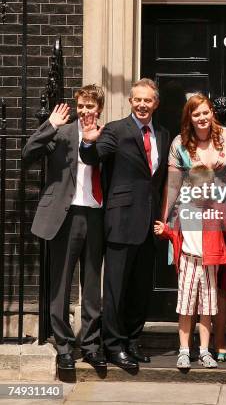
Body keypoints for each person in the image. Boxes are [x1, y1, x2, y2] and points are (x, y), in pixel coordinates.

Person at [79, 78, 170, 371]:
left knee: (140, 287)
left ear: (156, 103)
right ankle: (113, 345)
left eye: (148, 100)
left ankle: (131, 341)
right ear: (130, 101)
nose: (142, 105)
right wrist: (88, 140)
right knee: (116, 287)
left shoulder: (164, 134)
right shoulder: (116, 130)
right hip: (121, 220)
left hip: (150, 222)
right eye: (137, 100)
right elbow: (92, 156)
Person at [22, 85, 106, 371]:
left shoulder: (106, 135)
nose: (84, 111)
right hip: (64, 216)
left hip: (95, 215)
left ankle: (92, 345)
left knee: (92, 285)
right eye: (81, 105)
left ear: (99, 109)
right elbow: (27, 153)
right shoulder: (61, 132)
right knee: (61, 282)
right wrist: (50, 125)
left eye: (90, 106)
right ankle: (64, 346)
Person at [161, 93, 226, 366]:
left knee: (219, 285)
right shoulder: (179, 143)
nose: (202, 118)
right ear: (189, 117)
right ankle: (188, 347)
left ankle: (216, 341)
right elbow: (173, 185)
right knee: (189, 291)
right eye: (196, 114)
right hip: (192, 216)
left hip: (223, 213)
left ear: (212, 113)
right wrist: (166, 222)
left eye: (205, 112)